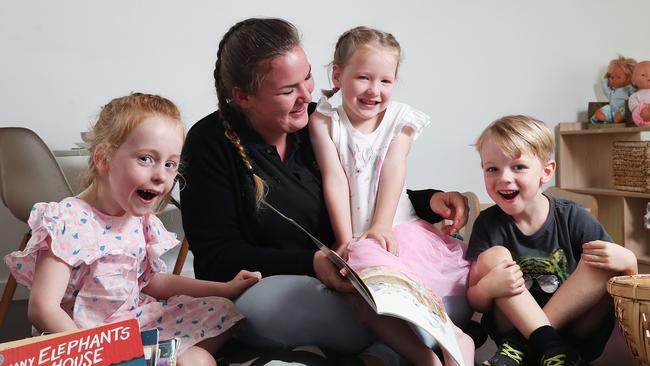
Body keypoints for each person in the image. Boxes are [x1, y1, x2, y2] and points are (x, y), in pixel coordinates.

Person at [179, 17, 471, 364]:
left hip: (354, 275)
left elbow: (366, 181)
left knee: (452, 285)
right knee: (274, 305)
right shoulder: (209, 143)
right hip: (288, 284)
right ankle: (398, 342)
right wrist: (311, 263)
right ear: (243, 97)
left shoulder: (321, 121)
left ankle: (393, 343)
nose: (306, 95)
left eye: (307, 79)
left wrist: (429, 200)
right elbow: (217, 257)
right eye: (288, 90)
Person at [4, 93, 261, 366]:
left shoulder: (139, 219)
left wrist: (224, 288)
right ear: (104, 159)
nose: (161, 175)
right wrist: (97, 354)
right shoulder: (68, 220)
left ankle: (166, 357)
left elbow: (152, 281)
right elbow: (43, 308)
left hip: (131, 323)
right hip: (77, 337)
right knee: (197, 360)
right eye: (146, 159)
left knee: (224, 312)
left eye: (170, 164)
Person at [309, 26, 473, 365]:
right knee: (366, 309)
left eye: (386, 81)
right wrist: (345, 241)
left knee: (414, 296)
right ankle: (425, 358)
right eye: (364, 78)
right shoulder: (325, 121)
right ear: (338, 75)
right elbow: (335, 179)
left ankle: (454, 338)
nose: (374, 90)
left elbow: (393, 168)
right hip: (357, 238)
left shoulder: (400, 119)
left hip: (397, 229)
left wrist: (382, 225)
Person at [466, 115, 637, 366]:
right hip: (511, 330)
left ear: (546, 172)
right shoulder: (487, 223)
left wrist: (630, 261)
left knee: (604, 260)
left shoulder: (573, 216)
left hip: (572, 333)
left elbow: (624, 282)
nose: (503, 177)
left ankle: (540, 343)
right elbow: (474, 299)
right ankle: (546, 345)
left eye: (518, 167)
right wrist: (488, 287)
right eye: (492, 168)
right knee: (494, 257)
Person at [590, 55, 636, 124]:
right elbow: (606, 90)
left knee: (626, 109)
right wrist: (605, 80)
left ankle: (617, 117)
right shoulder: (613, 92)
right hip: (612, 109)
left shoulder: (629, 88)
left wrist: (633, 83)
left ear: (629, 78)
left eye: (618, 77)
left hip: (623, 109)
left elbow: (634, 95)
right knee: (604, 109)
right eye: (611, 77)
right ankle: (606, 117)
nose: (613, 80)